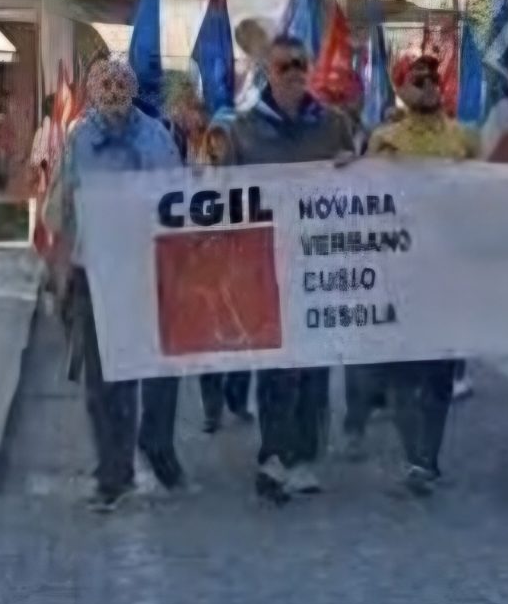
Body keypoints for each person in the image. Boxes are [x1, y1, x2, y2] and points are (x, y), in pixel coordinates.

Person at [45, 59, 187, 512]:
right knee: (104, 378)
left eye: (119, 92)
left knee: (158, 370)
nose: (112, 102)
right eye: (103, 93)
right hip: (96, 270)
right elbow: (64, 203)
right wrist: (60, 269)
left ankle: (155, 444)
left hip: (147, 269)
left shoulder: (156, 138)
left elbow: (176, 197)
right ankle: (113, 471)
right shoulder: (80, 138)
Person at [222, 34, 357, 502]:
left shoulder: (333, 125)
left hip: (319, 259)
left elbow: (357, 187)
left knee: (315, 365)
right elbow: (224, 194)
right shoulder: (243, 130)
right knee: (276, 365)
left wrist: (352, 168)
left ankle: (304, 457)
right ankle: (273, 454)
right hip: (266, 262)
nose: (295, 72)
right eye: (285, 66)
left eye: (301, 64)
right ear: (268, 72)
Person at [364, 51, 478, 495]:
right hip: (400, 272)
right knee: (401, 373)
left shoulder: (465, 138)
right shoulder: (384, 140)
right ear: (400, 88)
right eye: (418, 79)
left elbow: (493, 189)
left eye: (433, 77)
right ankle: (415, 455)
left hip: (448, 273)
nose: (429, 84)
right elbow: (363, 198)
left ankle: (427, 457)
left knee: (438, 373)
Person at [187, 113, 253, 434]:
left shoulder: (249, 178)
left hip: (240, 269)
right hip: (207, 268)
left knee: (244, 337)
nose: (218, 146)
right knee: (208, 341)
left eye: (223, 139)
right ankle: (212, 409)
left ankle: (237, 399)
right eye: (213, 139)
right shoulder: (197, 176)